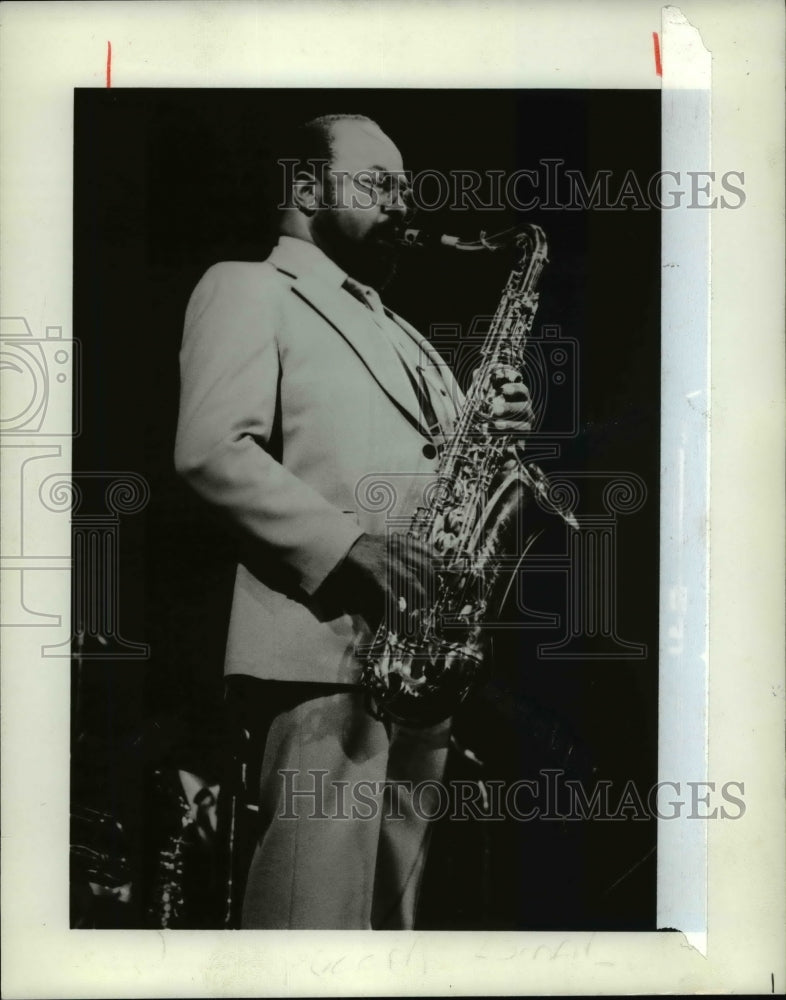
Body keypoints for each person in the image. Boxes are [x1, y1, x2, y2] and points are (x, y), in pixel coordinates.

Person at [174, 113, 533, 929]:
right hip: (320, 655)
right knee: (311, 926)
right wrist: (352, 547)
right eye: (380, 185)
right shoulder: (248, 287)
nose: (404, 206)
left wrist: (492, 430)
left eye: (407, 189)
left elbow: (455, 478)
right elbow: (211, 449)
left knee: (386, 938)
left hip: (420, 662)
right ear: (305, 189)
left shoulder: (406, 333)